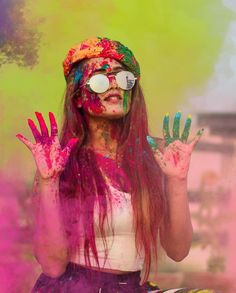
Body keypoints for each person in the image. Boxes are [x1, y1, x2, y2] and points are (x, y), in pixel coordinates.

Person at [16, 37, 204, 293]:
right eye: (100, 79)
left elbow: (178, 251)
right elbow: (52, 265)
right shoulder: (61, 161)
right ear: (78, 97)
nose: (114, 84)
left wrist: (176, 180)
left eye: (122, 77)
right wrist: (49, 181)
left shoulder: (155, 156)